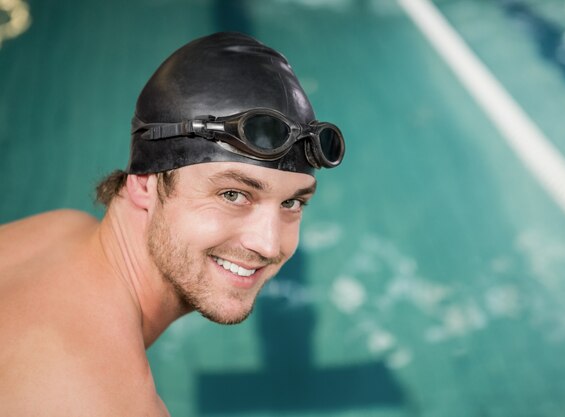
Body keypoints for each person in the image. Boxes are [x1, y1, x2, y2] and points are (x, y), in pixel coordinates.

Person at [0, 32, 345, 416]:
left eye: (292, 202)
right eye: (233, 194)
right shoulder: (109, 404)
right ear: (144, 181)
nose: (267, 244)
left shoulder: (54, 232)